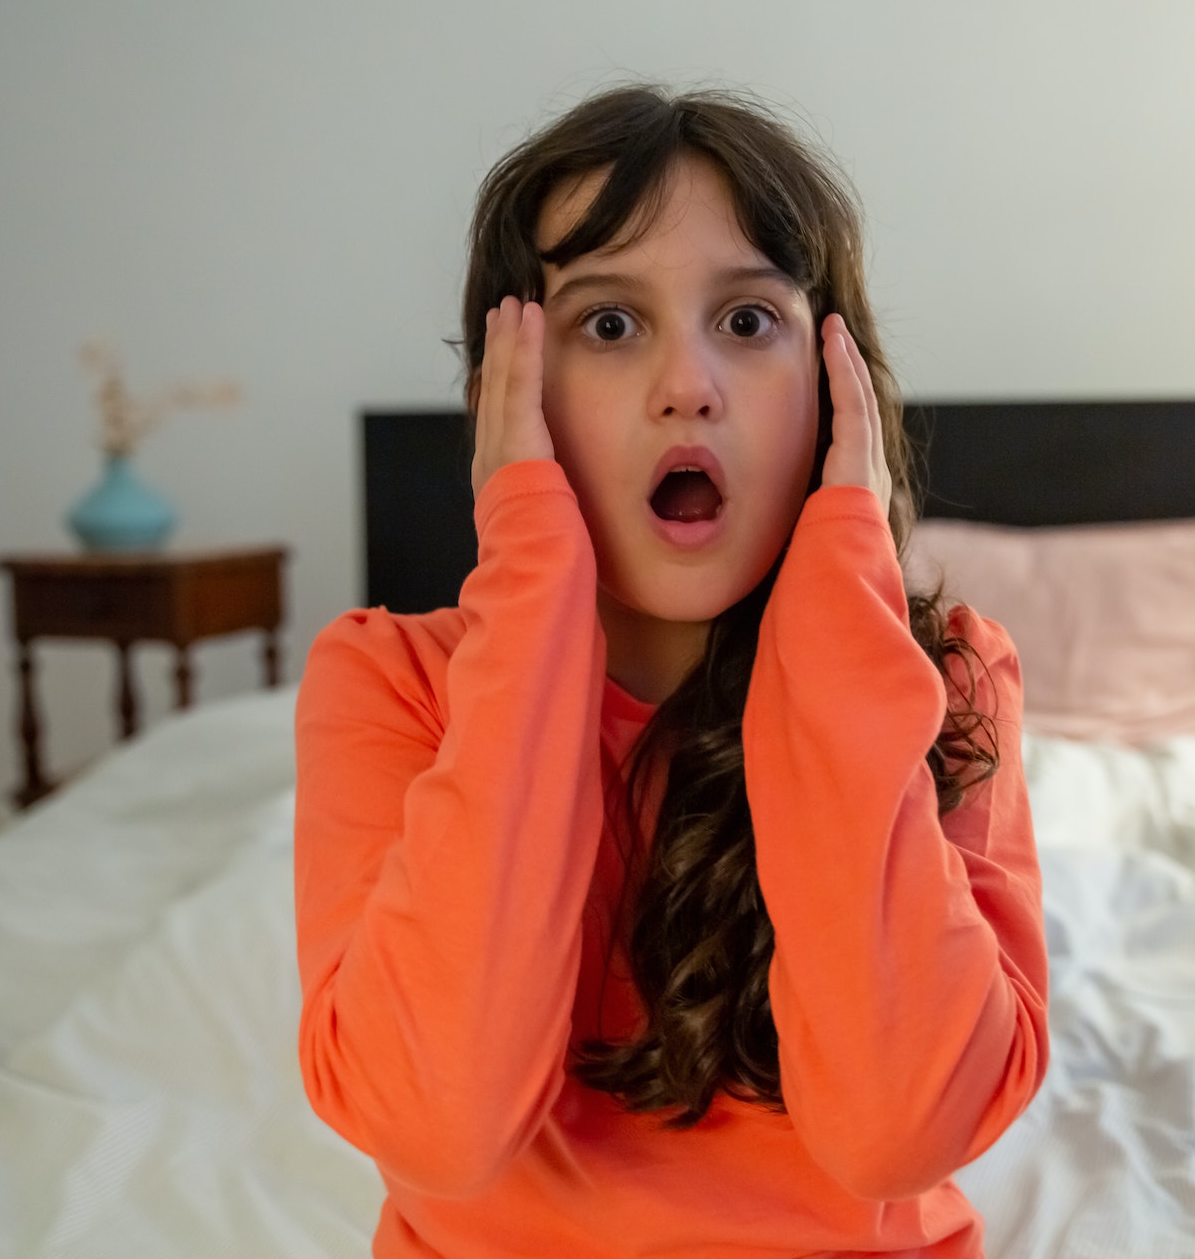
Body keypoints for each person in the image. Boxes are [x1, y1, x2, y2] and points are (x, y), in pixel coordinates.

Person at [293, 82, 1049, 1258]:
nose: (687, 383)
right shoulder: (386, 682)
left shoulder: (945, 678)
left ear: (834, 384)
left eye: (747, 320)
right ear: (512, 397)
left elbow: (905, 1129)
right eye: (608, 323)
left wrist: (841, 605)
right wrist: (529, 584)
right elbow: (437, 1125)